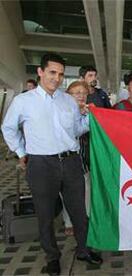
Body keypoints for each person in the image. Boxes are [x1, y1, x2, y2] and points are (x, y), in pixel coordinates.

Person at [1, 53, 102, 275]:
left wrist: (89, 118)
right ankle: (52, 257)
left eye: (61, 74)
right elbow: (8, 128)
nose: (56, 78)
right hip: (41, 164)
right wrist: (20, 152)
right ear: (40, 72)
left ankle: (84, 249)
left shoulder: (68, 100)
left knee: (78, 211)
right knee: (45, 215)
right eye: (52, 72)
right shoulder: (23, 101)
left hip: (71, 161)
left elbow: (75, 131)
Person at [61, 81, 91, 237]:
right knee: (67, 194)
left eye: (84, 93)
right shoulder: (65, 113)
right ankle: (69, 222)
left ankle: (86, 221)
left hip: (85, 161)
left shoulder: (90, 112)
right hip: (66, 161)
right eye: (77, 93)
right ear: (68, 95)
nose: (81, 95)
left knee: (86, 192)